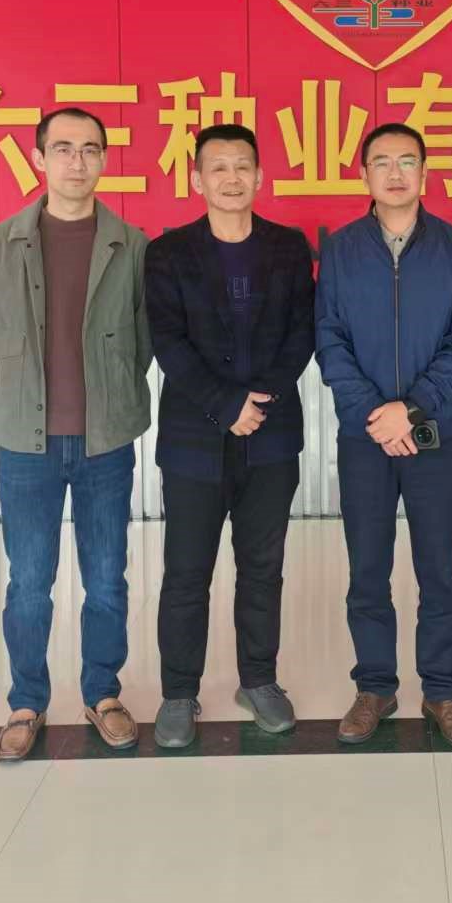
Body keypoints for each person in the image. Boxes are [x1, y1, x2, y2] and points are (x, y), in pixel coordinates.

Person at [0, 107, 152, 761]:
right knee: (29, 579)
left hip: (106, 440)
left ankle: (102, 692)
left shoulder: (130, 245)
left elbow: (142, 342)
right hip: (27, 444)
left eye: (90, 150)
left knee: (107, 576)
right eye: (63, 149)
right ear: (39, 159)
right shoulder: (2, 243)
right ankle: (26, 700)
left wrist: (106, 395)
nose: (77, 162)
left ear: (104, 158)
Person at [143, 124, 316, 748]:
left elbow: (302, 332)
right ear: (197, 179)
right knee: (186, 573)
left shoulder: (288, 247)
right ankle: (178, 692)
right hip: (194, 440)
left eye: (242, 166)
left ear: (260, 176)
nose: (231, 177)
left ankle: (259, 680)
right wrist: (225, 405)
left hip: (270, 437)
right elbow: (168, 342)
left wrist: (256, 403)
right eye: (218, 167)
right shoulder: (167, 253)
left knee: (262, 568)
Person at [314, 123, 452, 749]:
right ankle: (375, 687)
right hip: (364, 439)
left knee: (439, 569)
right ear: (363, 174)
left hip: (434, 434)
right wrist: (376, 416)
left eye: (407, 161)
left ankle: (443, 690)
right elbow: (329, 340)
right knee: (368, 568)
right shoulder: (341, 250)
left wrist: (409, 410)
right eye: (381, 161)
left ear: (425, 172)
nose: (394, 172)